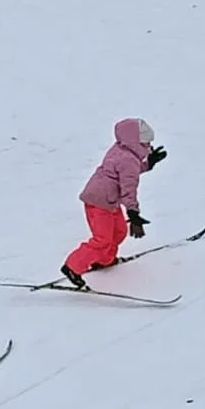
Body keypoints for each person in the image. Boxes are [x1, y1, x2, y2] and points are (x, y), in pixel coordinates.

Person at [60, 118, 167, 289]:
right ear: (136, 142)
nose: (149, 146)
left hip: (108, 201)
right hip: (99, 202)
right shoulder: (128, 159)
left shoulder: (121, 150)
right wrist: (133, 214)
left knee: (118, 232)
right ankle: (72, 267)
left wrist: (149, 164)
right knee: (102, 239)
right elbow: (128, 188)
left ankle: (104, 260)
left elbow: (127, 172)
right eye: (146, 143)